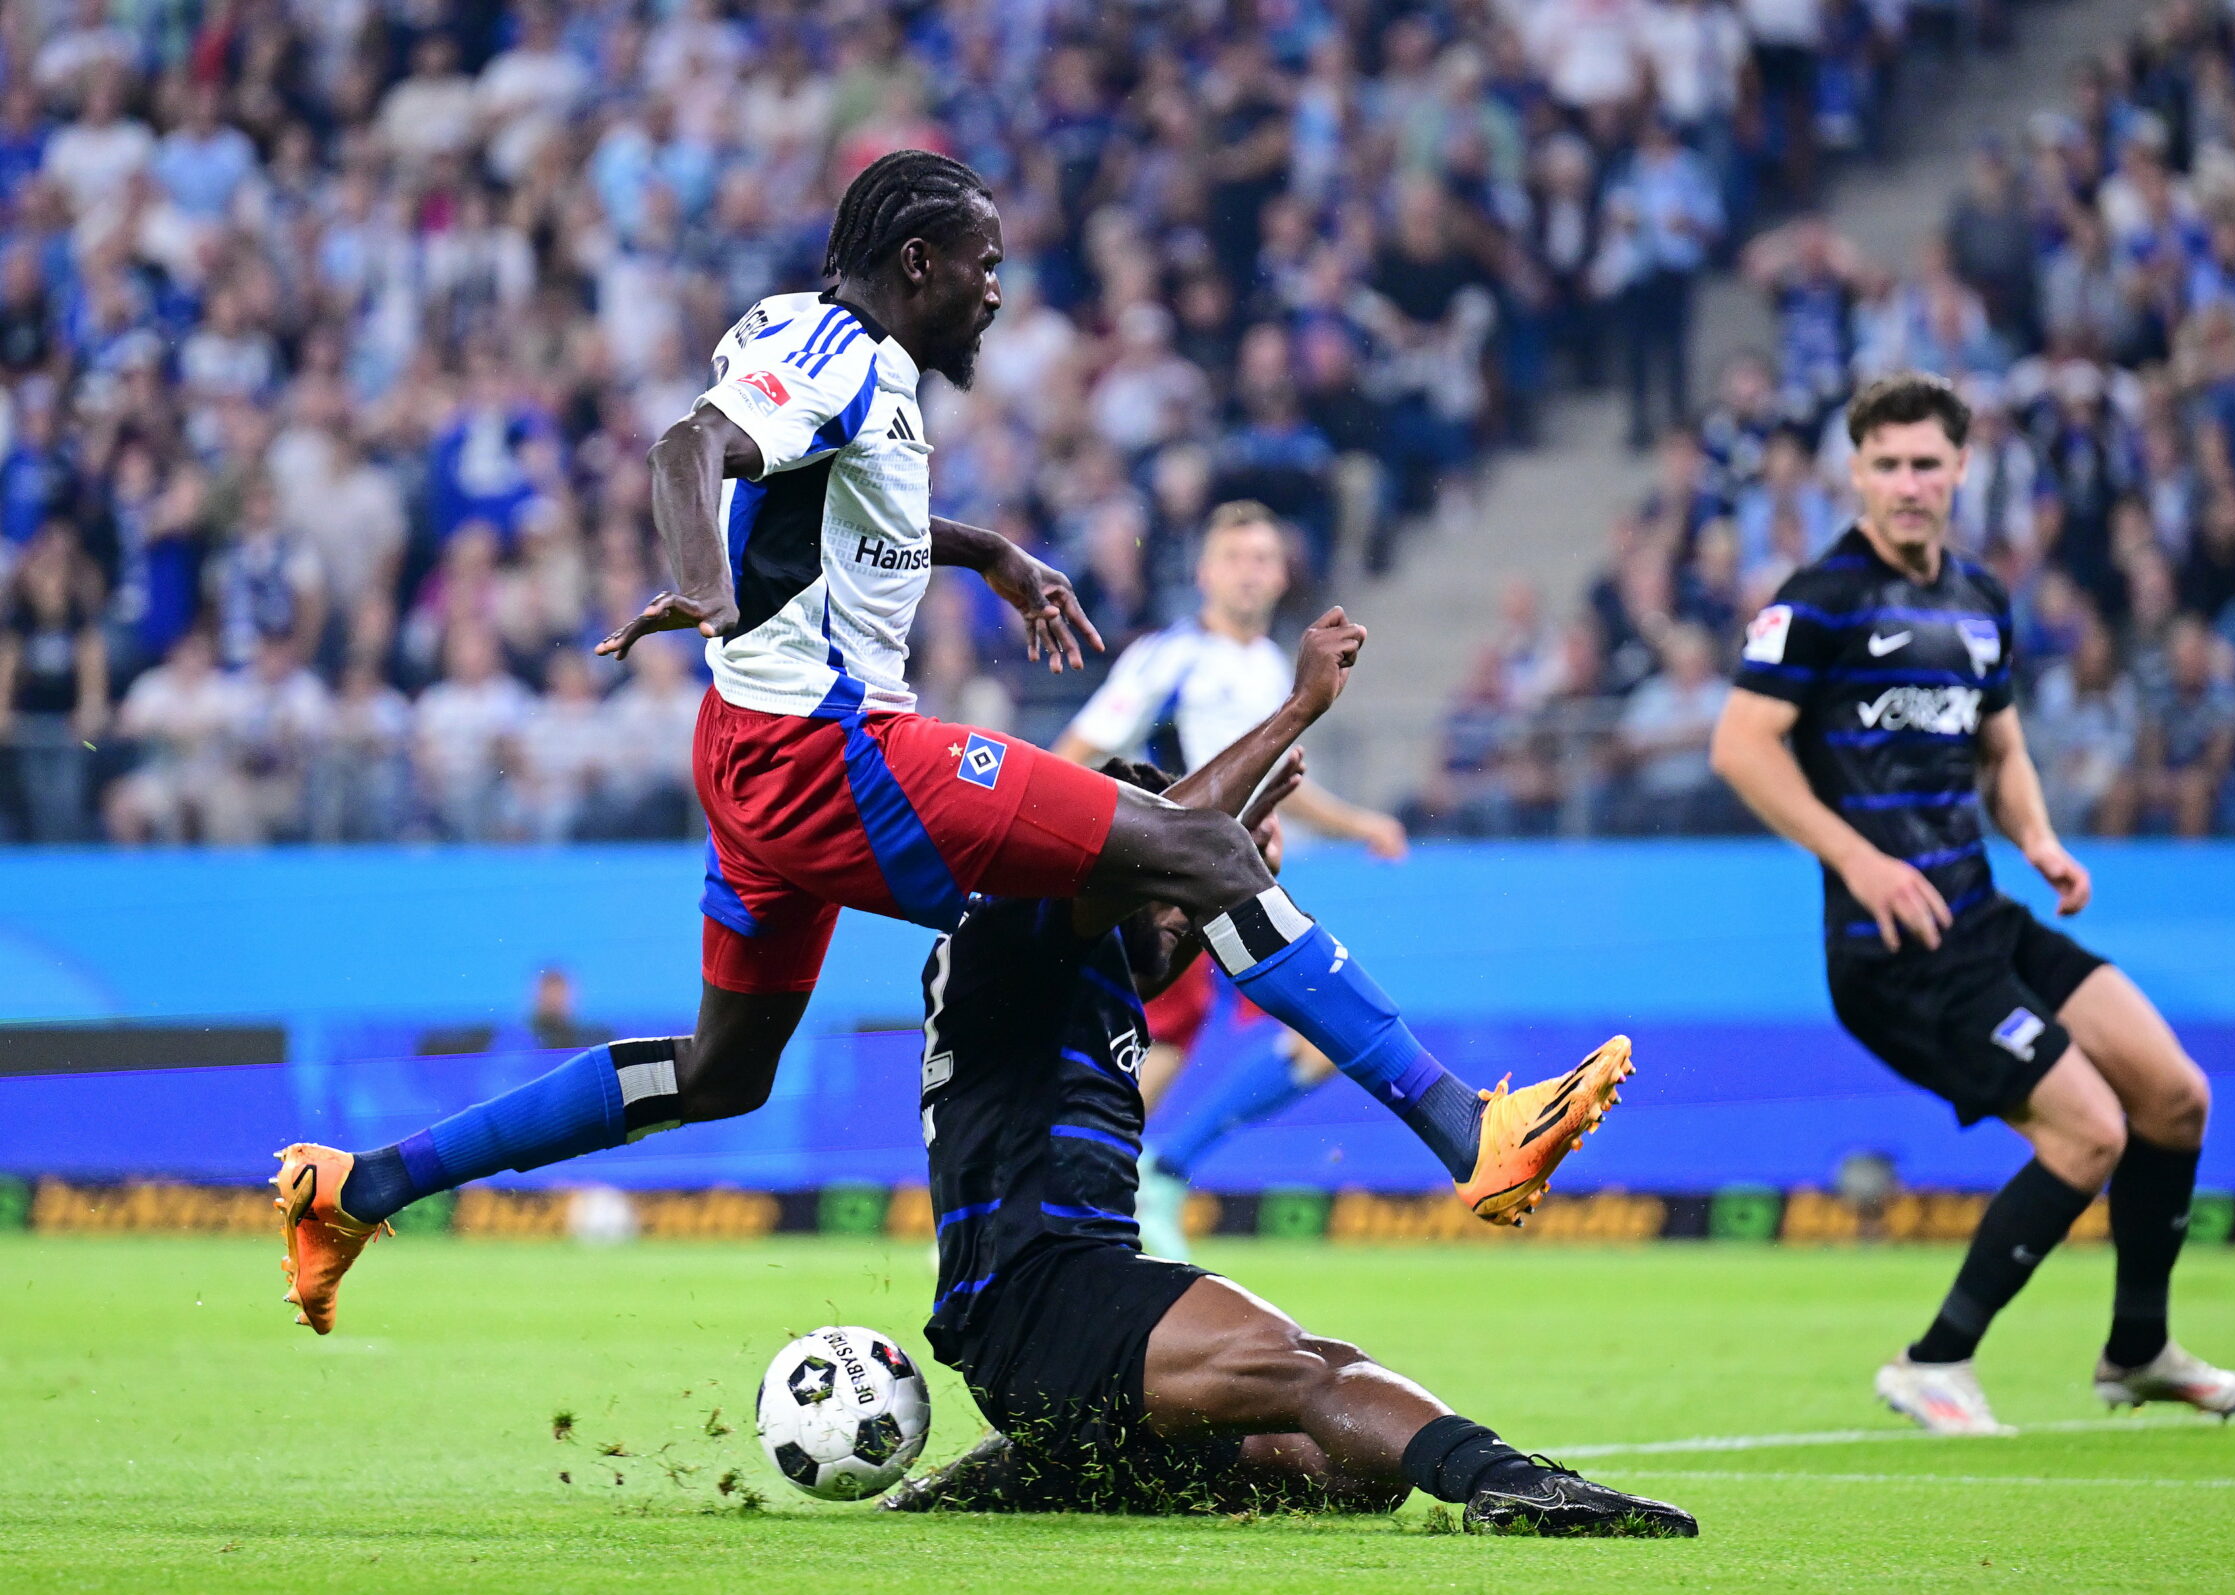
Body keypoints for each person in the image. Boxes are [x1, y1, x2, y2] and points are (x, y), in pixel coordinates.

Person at [270, 153, 1627, 1334]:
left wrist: (989, 554)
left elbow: (835, 500)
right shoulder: (840, 356)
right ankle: (1468, 1125)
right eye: (982, 266)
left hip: (754, 756)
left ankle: (360, 1187)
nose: (995, 289)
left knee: (722, 1070)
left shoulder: (831, 347)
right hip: (830, 753)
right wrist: (702, 579)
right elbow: (691, 451)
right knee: (1202, 853)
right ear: (915, 262)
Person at [876, 617, 1683, 1536]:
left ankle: (1046, 1464)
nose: (1175, 919)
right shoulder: (1009, 923)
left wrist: (1237, 847)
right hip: (1047, 1299)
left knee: (1349, 1468)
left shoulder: (1060, 973)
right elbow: (1154, 851)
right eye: (1158, 881)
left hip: (1048, 1326)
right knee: (1317, 1370)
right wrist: (1295, 710)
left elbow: (1160, 927)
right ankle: (1516, 1484)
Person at [1709, 371, 2235, 1435]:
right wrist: (1859, 861)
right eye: (1886, 464)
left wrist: (2039, 837)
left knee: (2175, 1095)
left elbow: (1999, 745)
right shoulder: (1819, 598)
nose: (1907, 483)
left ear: (1961, 468)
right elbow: (1739, 745)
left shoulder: (1976, 600)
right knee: (2089, 1133)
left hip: (1983, 914)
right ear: (1856, 473)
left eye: (1927, 462)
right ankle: (1933, 1360)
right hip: (1892, 946)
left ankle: (2138, 1348)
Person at [1055, 498, 1409, 1258]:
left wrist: (1360, 825)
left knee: (1304, 1040)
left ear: (1283, 575)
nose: (1251, 572)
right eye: (1236, 558)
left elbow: (1280, 780)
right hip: (1170, 884)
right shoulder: (1167, 656)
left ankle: (1153, 1171)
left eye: (1264, 558)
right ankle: (1073, 1189)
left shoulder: (1270, 667)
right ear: (1205, 572)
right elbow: (1077, 749)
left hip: (1243, 877)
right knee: (1164, 1044)